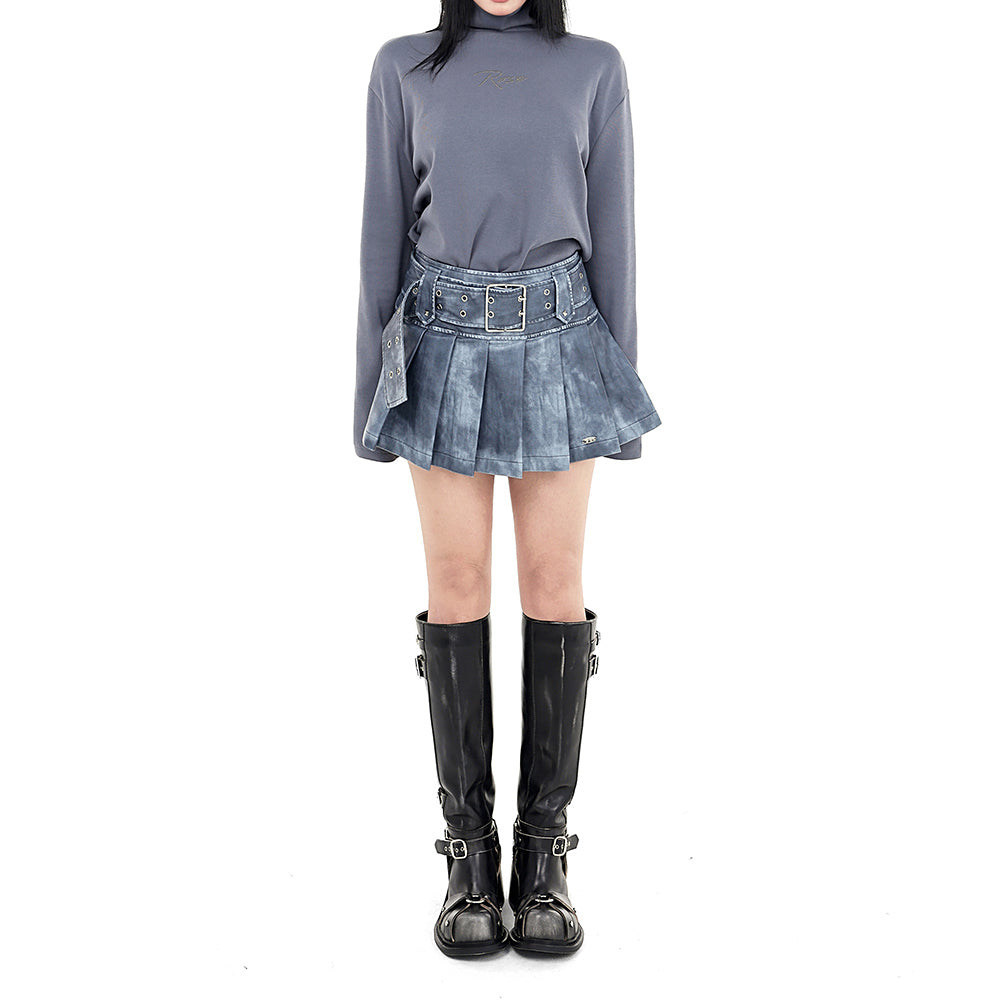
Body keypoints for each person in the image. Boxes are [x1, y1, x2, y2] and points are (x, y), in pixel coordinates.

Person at [353, 0, 662, 956]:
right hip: (438, 340)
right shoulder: (402, 67)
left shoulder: (595, 67)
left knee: (553, 584)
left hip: (563, 341)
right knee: (455, 585)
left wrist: (620, 390)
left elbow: (616, 240)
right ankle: (468, 859)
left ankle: (543, 856)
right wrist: (368, 396)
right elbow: (379, 239)